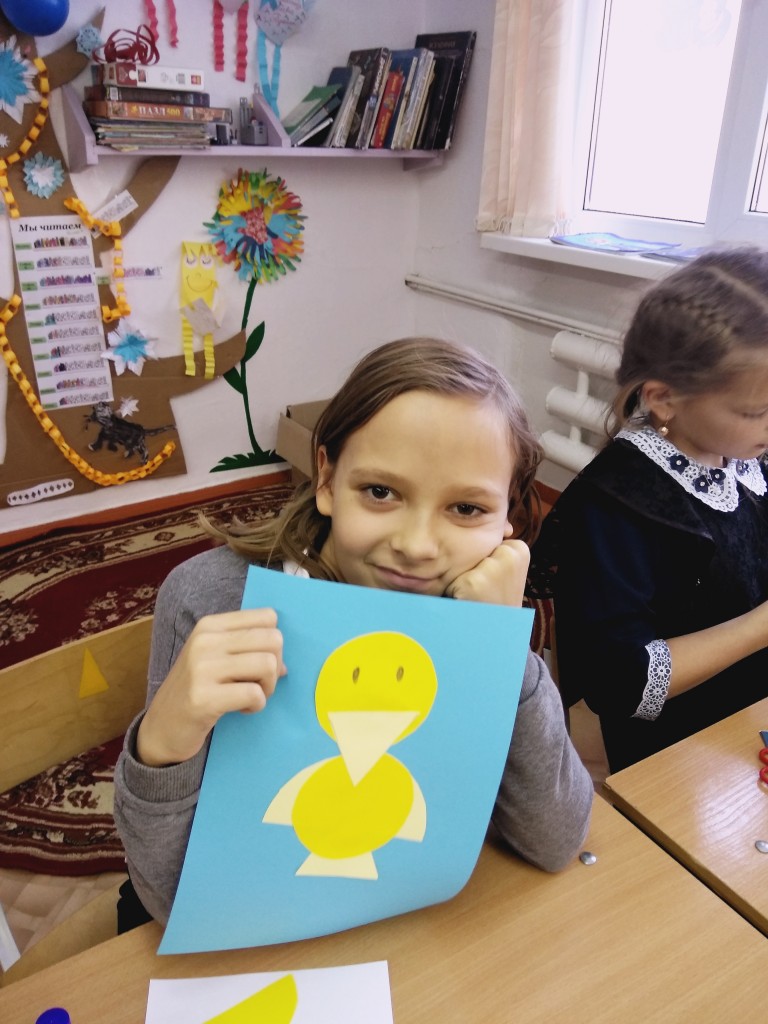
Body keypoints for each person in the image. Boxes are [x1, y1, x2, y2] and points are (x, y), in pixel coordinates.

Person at [114, 337, 593, 930]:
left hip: (415, 921)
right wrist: (160, 744)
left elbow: (555, 839)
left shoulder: (482, 601)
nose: (417, 546)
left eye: (467, 509)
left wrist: (502, 652)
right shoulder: (214, 600)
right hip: (250, 925)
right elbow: (170, 900)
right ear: (326, 478)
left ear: (508, 520)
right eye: (381, 492)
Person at [529, 247, 768, 773]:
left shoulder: (742, 453)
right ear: (664, 399)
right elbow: (622, 683)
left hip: (748, 718)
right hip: (676, 752)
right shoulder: (616, 506)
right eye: (757, 411)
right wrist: (758, 628)